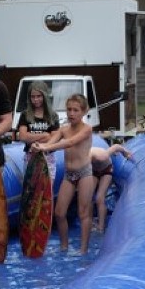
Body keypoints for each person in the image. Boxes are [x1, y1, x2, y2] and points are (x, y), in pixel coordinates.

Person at [33, 94, 94, 254]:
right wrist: (40, 145)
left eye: (76, 110)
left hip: (85, 173)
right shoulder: (64, 129)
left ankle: (83, 249)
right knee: (59, 213)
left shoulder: (87, 129)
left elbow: (71, 142)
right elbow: (51, 143)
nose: (71, 113)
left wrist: (46, 148)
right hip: (69, 174)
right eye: (69, 110)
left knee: (83, 212)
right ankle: (64, 247)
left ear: (84, 112)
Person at [18, 80, 60, 179]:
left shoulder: (52, 115)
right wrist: (44, 135)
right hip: (30, 156)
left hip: (48, 157)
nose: (36, 99)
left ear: (44, 96)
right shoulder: (25, 115)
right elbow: (22, 136)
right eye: (33, 97)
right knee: (31, 189)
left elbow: (54, 138)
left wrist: (33, 139)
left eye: (39, 96)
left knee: (47, 189)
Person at [90, 143, 132, 233]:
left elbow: (116, 147)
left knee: (99, 198)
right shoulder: (83, 159)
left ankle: (101, 227)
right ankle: (90, 221)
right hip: (94, 170)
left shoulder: (101, 155)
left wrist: (125, 152)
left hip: (106, 170)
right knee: (88, 197)